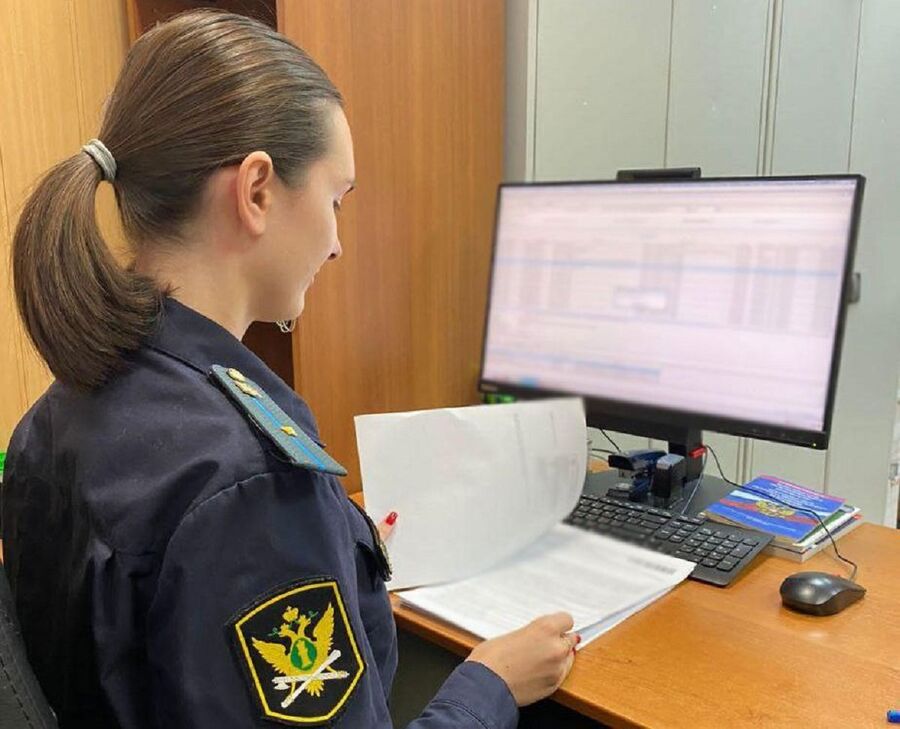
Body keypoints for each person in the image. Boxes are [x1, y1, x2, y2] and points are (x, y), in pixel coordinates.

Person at [1, 10, 577, 728]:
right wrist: (489, 685)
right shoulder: (250, 483)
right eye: (336, 200)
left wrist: (323, 544)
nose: (337, 243)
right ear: (257, 192)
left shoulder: (60, 411)